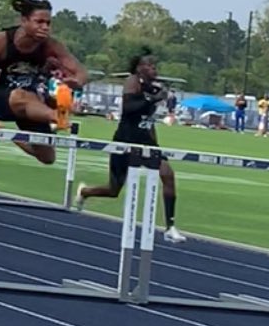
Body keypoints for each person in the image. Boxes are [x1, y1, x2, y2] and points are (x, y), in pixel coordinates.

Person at [75, 48, 186, 244]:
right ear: (139, 68)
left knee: (168, 175)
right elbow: (129, 108)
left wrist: (155, 144)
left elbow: (148, 120)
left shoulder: (155, 87)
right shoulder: (132, 82)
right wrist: (153, 98)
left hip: (146, 142)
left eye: (155, 66)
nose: (154, 69)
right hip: (125, 140)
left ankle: (170, 227)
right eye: (149, 66)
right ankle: (85, 192)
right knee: (114, 190)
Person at [0, 0, 86, 164]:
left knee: (47, 157)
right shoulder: (1, 42)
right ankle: (57, 116)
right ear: (24, 21)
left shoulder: (50, 44)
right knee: (22, 95)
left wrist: (77, 81)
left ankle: (4, 132)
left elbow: (80, 71)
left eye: (48, 23)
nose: (45, 27)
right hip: (3, 100)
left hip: (33, 106)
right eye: (39, 22)